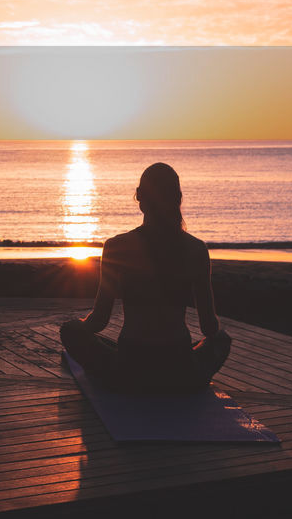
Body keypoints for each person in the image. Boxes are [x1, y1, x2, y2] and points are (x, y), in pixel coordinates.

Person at [60, 162, 232, 393]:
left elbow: (99, 320)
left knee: (70, 331)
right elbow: (209, 328)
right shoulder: (196, 249)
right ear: (178, 198)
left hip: (130, 369)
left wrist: (77, 325)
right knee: (221, 340)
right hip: (179, 369)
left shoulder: (116, 246)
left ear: (140, 197)